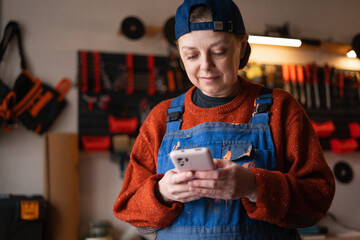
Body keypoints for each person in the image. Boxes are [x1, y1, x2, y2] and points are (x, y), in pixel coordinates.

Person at [113, 0, 335, 239]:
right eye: (191, 55)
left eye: (219, 52)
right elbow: (132, 212)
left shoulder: (280, 109)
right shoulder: (161, 118)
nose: (206, 66)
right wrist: (162, 192)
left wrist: (254, 186)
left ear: (242, 45)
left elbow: (317, 202)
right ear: (179, 54)